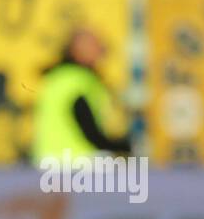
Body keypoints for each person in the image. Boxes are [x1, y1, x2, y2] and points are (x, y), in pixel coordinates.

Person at [32, 27, 133, 164]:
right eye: (95, 45)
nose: (101, 50)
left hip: (49, 163)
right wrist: (119, 147)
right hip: (76, 163)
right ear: (78, 50)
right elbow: (87, 127)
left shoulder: (57, 78)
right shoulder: (79, 80)